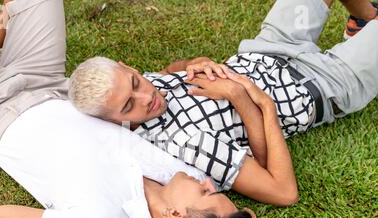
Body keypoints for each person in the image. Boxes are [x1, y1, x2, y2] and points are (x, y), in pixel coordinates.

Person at [0, 0, 256, 218]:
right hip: (48, 80)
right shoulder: (186, 178)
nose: (209, 184)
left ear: (175, 216)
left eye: (207, 194)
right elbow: (250, 209)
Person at [69, 0, 378, 206]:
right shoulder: (184, 144)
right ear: (113, 121)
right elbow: (281, 191)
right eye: (127, 106)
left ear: (128, 68)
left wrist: (193, 62)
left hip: (267, 49)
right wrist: (242, 98)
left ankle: (364, 21)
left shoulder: (148, 88)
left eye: (136, 83)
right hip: (320, 86)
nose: (146, 97)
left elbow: (166, 72)